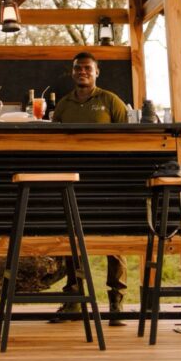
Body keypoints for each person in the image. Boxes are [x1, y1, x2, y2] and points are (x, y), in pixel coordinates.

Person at [50, 51, 128, 326]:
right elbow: (54, 140)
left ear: (96, 73)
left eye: (87, 68)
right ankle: (74, 301)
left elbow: (128, 138)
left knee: (113, 241)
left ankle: (116, 304)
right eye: (77, 68)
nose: (82, 72)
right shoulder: (63, 104)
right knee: (72, 240)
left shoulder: (110, 100)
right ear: (72, 73)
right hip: (72, 180)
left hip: (106, 180)